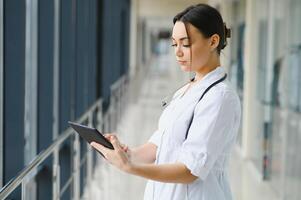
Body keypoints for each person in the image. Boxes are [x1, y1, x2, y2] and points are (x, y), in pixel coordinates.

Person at [91, 3, 241, 200]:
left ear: (213, 42)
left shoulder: (220, 98)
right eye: (174, 44)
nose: (177, 52)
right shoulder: (187, 89)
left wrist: (130, 168)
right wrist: (128, 154)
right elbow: (160, 142)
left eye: (185, 44)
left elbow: (190, 171)